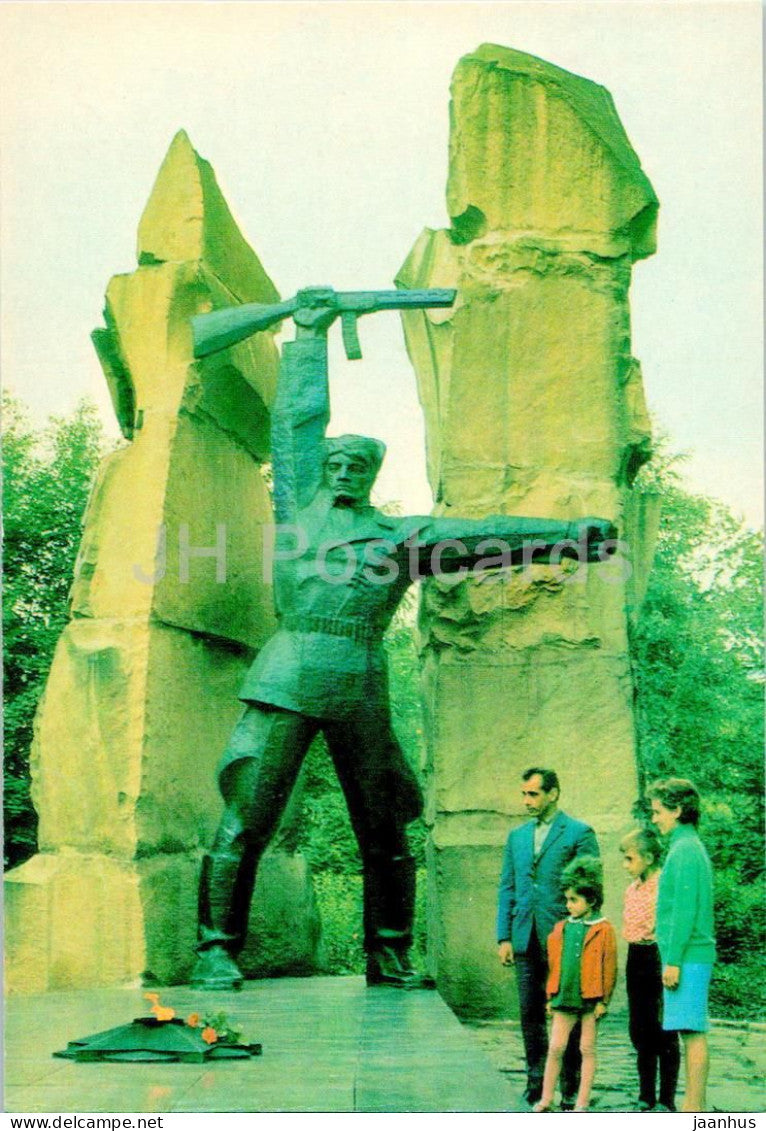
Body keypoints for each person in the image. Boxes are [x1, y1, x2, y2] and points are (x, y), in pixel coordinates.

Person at [190, 293, 617, 993]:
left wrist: (569, 538)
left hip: (359, 676)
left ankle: (388, 952)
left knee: (386, 825)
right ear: (319, 469)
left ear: (371, 476)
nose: (344, 472)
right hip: (289, 670)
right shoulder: (297, 511)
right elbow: (298, 420)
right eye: (335, 464)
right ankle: (215, 947)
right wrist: (306, 334)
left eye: (357, 466)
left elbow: (481, 536)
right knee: (246, 817)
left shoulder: (396, 537)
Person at [497, 767, 600, 1107]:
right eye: (524, 793)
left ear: (553, 793)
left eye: (534, 794)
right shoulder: (517, 836)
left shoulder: (579, 833)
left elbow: (590, 889)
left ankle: (570, 1087)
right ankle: (537, 1082)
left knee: (566, 1011)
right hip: (524, 935)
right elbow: (508, 887)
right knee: (529, 1013)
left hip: (566, 939)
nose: (527, 801)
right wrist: (504, 937)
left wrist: (579, 935)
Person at [649, 778, 716, 1113]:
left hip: (687, 957)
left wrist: (672, 960)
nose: (654, 818)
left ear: (677, 810)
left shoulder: (685, 850)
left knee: (692, 1033)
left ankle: (693, 1112)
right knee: (691, 1031)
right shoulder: (685, 846)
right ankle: (696, 1108)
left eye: (658, 812)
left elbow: (684, 912)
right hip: (689, 956)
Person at [534, 856, 617, 1113]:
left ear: (590, 900)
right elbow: (554, 966)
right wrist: (550, 996)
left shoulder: (603, 930)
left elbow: (609, 967)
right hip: (563, 998)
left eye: (574, 900)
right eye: (567, 899)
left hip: (590, 1001)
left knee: (586, 1049)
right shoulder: (560, 929)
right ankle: (547, 1099)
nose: (568, 905)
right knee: (556, 1047)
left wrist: (604, 1001)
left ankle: (582, 1102)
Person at [620, 826, 680, 1112]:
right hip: (636, 958)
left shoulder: (664, 884)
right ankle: (646, 1094)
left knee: (663, 1028)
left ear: (648, 857)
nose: (625, 865)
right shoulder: (631, 889)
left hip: (658, 955)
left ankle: (666, 1099)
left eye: (629, 858)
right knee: (640, 1028)